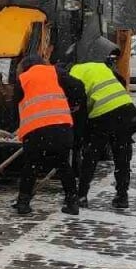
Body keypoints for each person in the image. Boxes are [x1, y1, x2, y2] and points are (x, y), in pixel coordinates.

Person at [12, 55, 83, 216]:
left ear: (25, 67)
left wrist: (17, 128)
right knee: (63, 164)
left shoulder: (23, 79)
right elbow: (78, 86)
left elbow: (15, 107)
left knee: (31, 165)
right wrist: (73, 104)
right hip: (61, 127)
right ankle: (72, 202)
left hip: (36, 130)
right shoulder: (56, 72)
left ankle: (23, 203)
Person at [69, 58, 136, 208]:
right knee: (122, 156)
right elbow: (121, 80)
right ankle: (122, 196)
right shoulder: (99, 66)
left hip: (102, 115)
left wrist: (79, 135)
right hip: (124, 109)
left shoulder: (73, 74)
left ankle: (81, 195)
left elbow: (79, 107)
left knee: (91, 155)